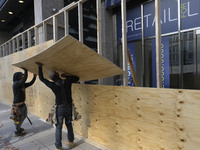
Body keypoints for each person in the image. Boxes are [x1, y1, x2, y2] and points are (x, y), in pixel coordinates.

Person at [36, 62, 79, 150]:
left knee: (58, 127)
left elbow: (41, 78)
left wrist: (39, 67)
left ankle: (58, 147)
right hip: (69, 108)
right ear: (58, 74)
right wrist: (66, 76)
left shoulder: (52, 85)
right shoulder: (67, 81)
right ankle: (71, 142)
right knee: (69, 125)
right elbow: (77, 78)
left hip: (60, 109)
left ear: (51, 78)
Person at [12, 68, 37, 137]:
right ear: (17, 77)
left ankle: (18, 127)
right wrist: (26, 70)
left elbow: (30, 83)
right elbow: (24, 79)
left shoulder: (21, 84)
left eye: (22, 76)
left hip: (22, 104)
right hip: (17, 106)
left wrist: (34, 77)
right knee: (17, 119)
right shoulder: (16, 84)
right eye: (21, 76)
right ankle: (17, 131)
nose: (22, 77)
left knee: (24, 115)